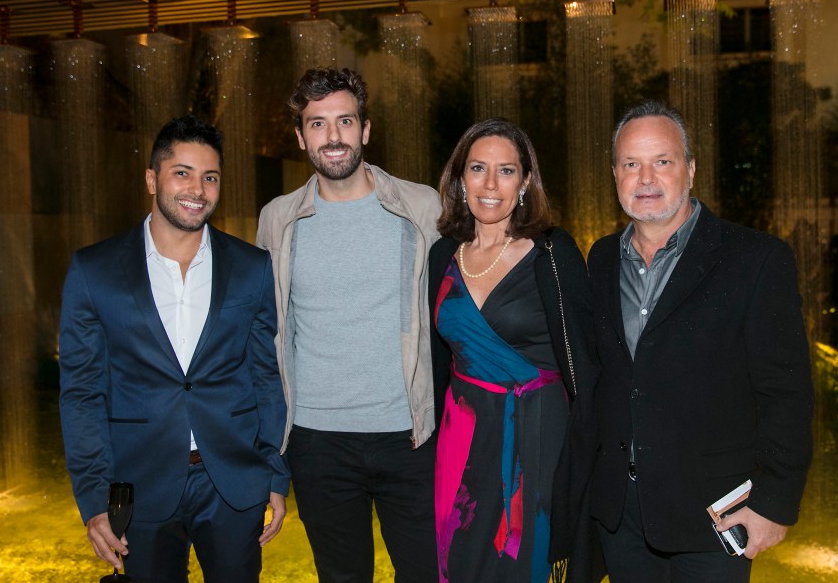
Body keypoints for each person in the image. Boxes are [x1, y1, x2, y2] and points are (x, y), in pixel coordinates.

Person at [586, 99, 814, 582]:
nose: (646, 178)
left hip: (715, 520)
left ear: (689, 170)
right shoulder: (601, 258)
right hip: (621, 518)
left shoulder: (755, 260)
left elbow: (787, 394)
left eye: (662, 162)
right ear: (615, 174)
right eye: (631, 164)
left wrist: (773, 505)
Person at [59, 115, 290, 583]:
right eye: (182, 172)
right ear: (152, 178)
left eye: (210, 177)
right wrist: (92, 497)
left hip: (230, 482)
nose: (197, 189)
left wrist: (274, 474)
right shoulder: (93, 270)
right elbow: (81, 392)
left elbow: (266, 376)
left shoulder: (251, 267)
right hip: (138, 484)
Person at [256, 67, 440, 582]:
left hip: (411, 436)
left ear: (365, 129)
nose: (332, 137)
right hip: (318, 441)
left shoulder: (422, 206)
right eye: (317, 124)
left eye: (344, 121)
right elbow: (267, 333)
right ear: (299, 136)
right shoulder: (277, 219)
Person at [429, 118, 601, 582]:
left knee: (522, 564)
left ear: (525, 181)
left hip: (536, 438)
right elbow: (437, 362)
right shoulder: (443, 254)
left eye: (506, 171)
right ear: (459, 178)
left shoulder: (552, 253)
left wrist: (589, 462)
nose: (489, 184)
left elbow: (586, 363)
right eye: (477, 168)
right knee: (460, 559)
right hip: (461, 437)